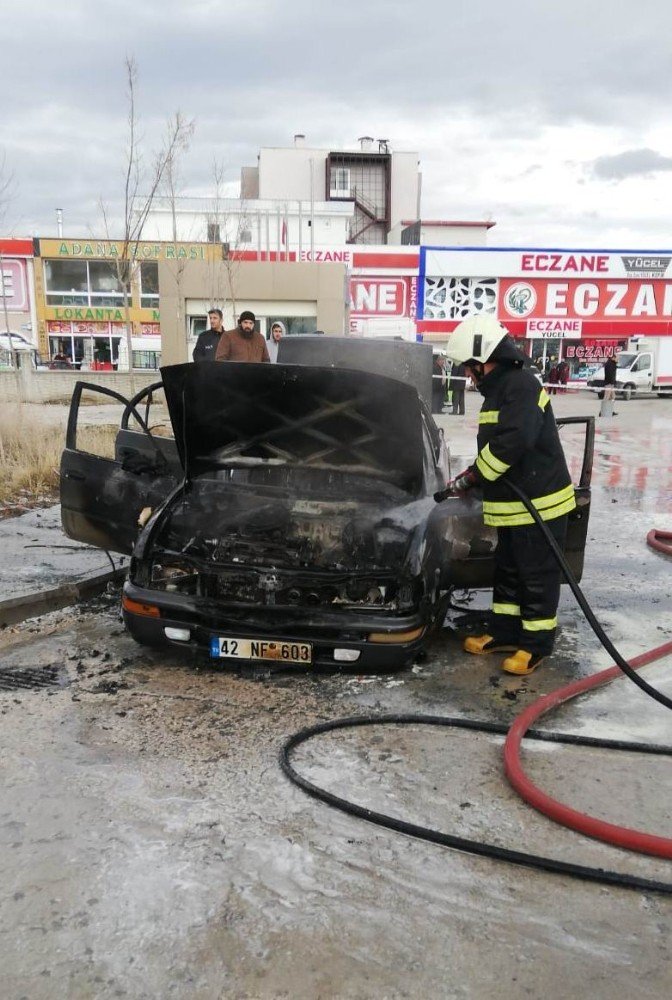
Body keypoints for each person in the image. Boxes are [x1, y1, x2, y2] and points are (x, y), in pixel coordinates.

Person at [437, 314, 576, 675]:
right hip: (515, 508)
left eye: (470, 367)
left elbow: (511, 444)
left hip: (539, 507)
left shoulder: (520, 385)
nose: (468, 374)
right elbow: (498, 447)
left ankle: (535, 646)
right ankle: (505, 633)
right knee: (509, 573)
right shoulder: (499, 390)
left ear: (485, 358)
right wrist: (475, 475)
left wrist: (473, 477)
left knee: (536, 576)